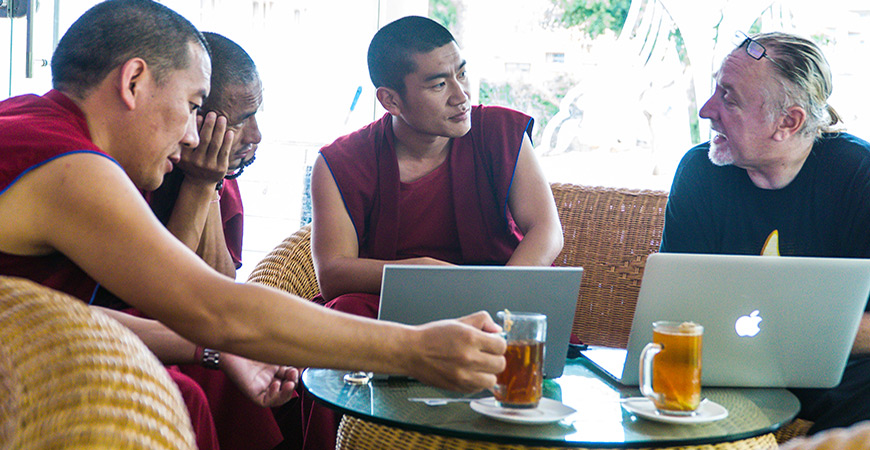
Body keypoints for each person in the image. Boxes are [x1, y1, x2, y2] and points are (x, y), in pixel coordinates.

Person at [0, 0, 507, 447]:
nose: (193, 136)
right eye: (194, 106)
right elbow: (214, 306)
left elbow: (61, 313)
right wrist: (416, 348)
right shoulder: (66, 164)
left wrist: (212, 350)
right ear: (133, 82)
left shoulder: (28, 121)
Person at [305, 15, 564, 450]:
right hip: (391, 312)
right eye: (438, 84)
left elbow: (547, 231)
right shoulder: (341, 162)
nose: (461, 96)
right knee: (344, 310)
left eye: (462, 73)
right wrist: (420, 272)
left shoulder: (501, 132)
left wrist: (499, 297)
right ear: (390, 100)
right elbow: (333, 273)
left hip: (496, 307)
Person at [660, 31, 870, 434]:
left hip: (838, 380)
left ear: (787, 122)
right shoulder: (699, 173)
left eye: (729, 99)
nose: (706, 110)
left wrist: (794, 332)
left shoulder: (857, 176)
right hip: (722, 371)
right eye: (715, 91)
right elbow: (674, 308)